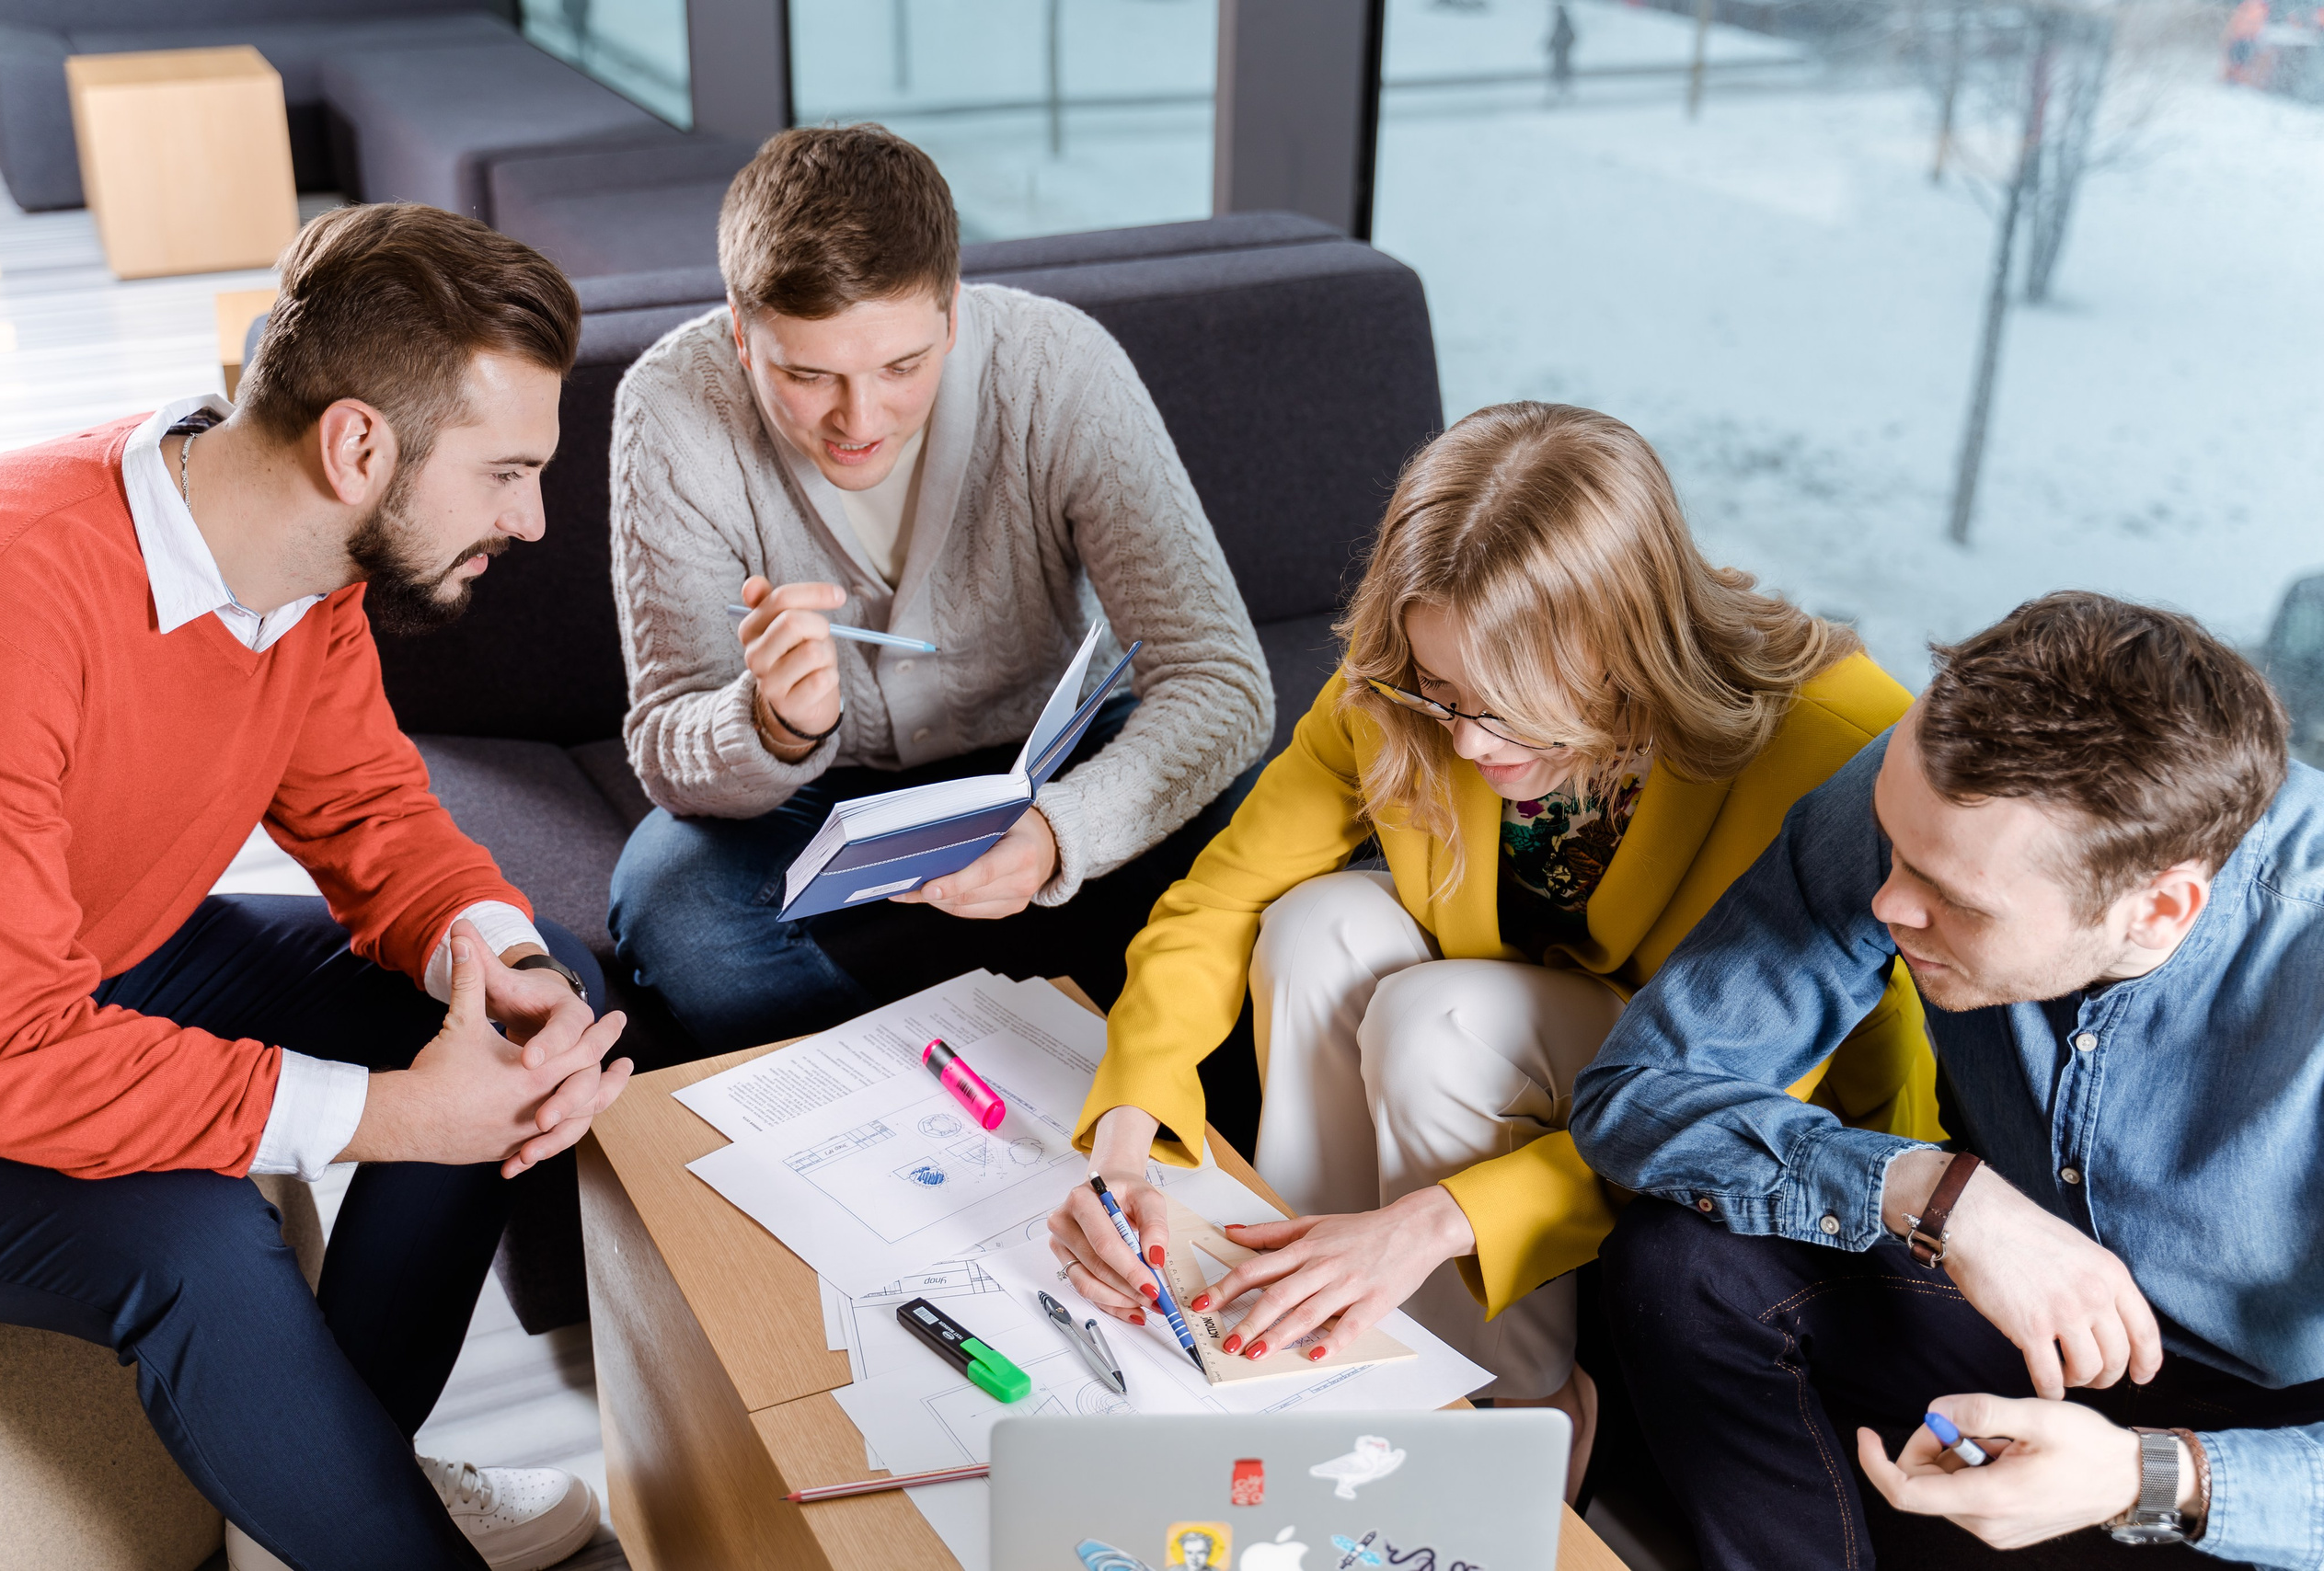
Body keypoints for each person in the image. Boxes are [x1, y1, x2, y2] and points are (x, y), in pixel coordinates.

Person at [1049, 403, 1940, 1491]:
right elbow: (1219, 903)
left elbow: (1724, 1098)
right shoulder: (1412, 683)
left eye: (1511, 711)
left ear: (1630, 649)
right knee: (1316, 924)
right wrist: (1124, 1148)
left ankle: (1514, 1410)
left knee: (1444, 1023)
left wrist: (1437, 1221)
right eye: (1445, 692)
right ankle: (1305, 1337)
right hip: (1546, 1041)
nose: (1465, 741)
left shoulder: (1837, 744)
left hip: (1746, 1111)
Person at [0, 203, 635, 1571]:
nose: (533, 517)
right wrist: (388, 1116)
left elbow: (365, 810)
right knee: (203, 1240)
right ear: (358, 446)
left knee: (507, 993)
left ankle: (329, 1486)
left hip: (94, 957)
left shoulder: (306, 561)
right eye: (508, 472)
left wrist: (492, 950)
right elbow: (6, 1045)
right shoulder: (13, 593)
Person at [1572, 592, 2324, 1569]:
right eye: (1893, 849)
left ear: (2159, 908)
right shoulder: (1932, 805)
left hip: (2254, 1449)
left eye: (1953, 902)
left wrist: (2138, 1476)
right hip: (2002, 1331)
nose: (1887, 902)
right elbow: (1639, 1088)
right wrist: (1934, 1192)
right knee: (1680, 1263)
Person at [605, 123, 1272, 1049]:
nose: (858, 419)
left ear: (951, 315)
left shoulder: (1057, 366)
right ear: (739, 332)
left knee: (1250, 810)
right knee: (670, 900)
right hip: (818, 792)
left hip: (1048, 758)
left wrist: (1056, 831)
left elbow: (1224, 682)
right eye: (806, 374)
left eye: (903, 367)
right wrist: (773, 724)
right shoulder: (671, 407)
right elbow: (666, 739)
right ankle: (887, 1094)